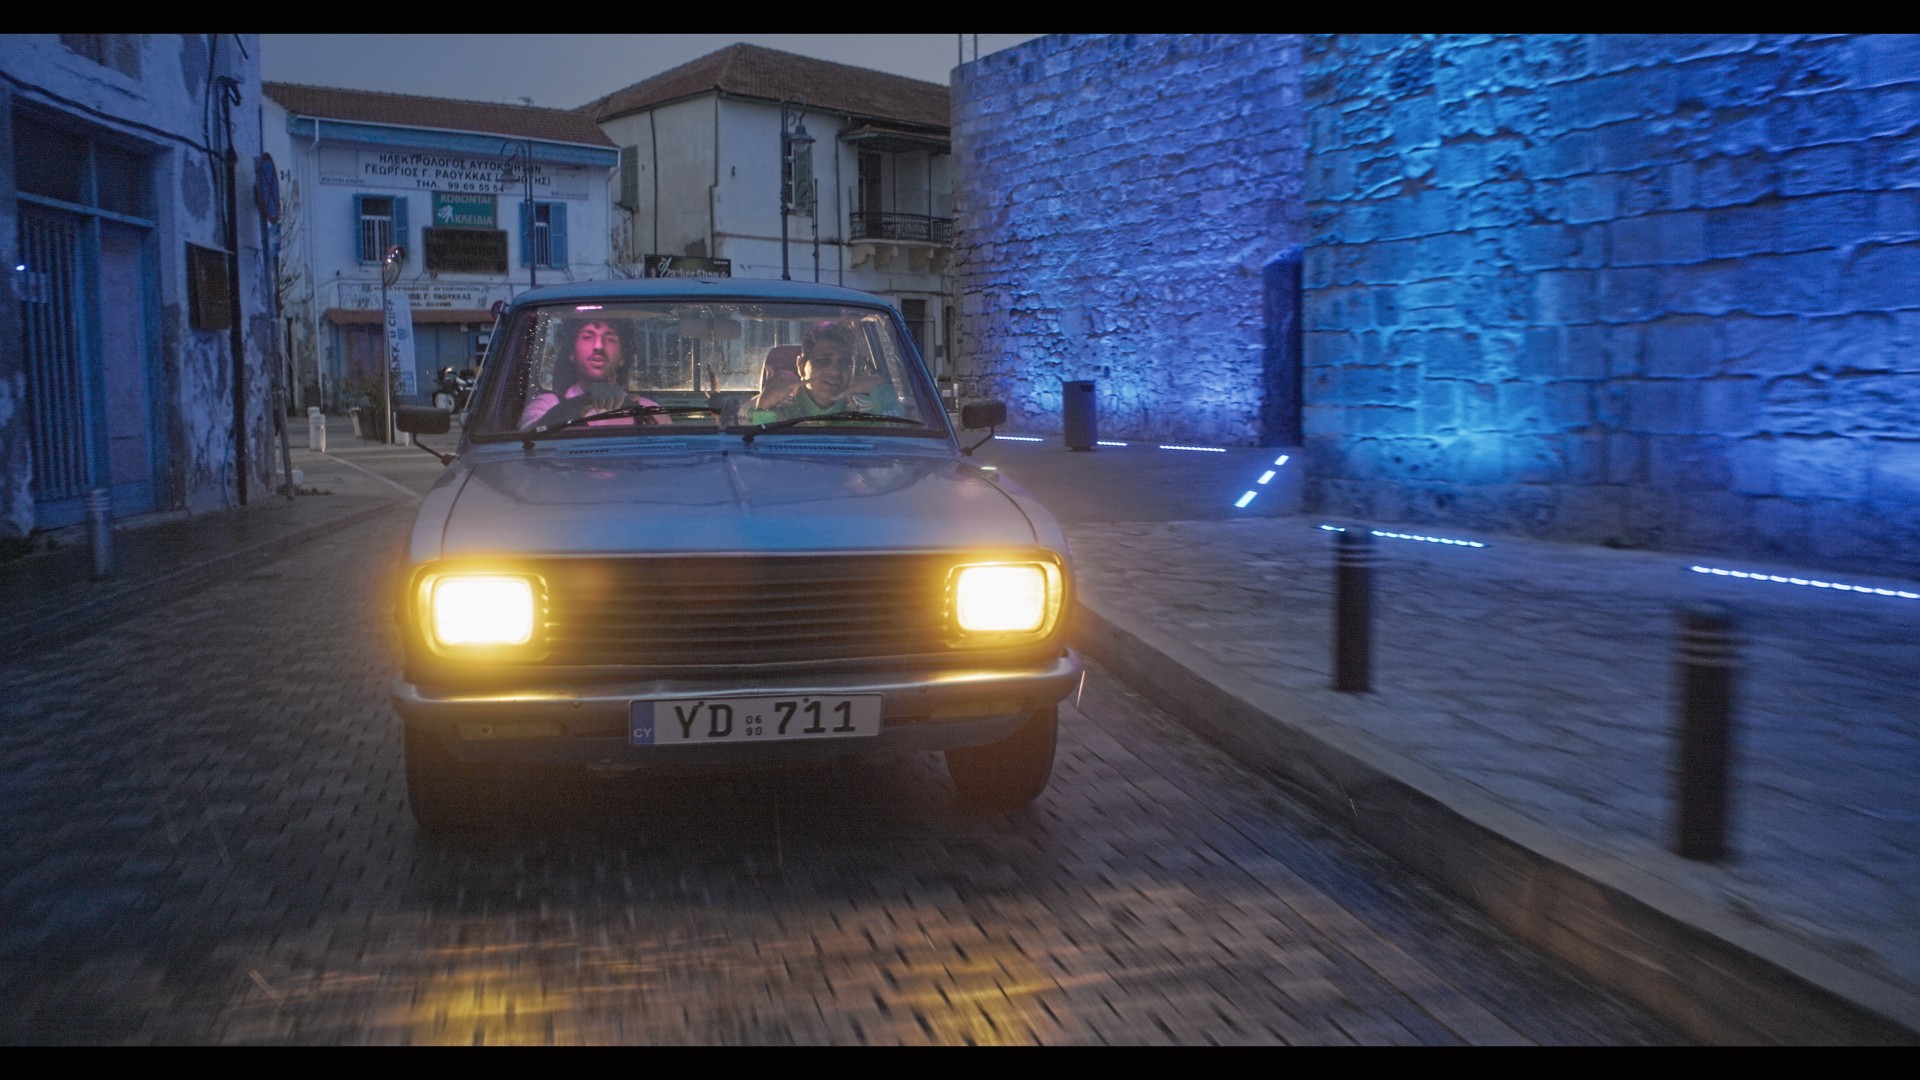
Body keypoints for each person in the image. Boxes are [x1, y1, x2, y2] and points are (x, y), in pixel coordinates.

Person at [519, 318, 669, 429]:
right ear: (572, 352)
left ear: (623, 356)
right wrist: (583, 402)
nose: (598, 346)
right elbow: (527, 438)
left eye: (610, 339)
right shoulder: (547, 405)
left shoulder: (648, 411)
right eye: (587, 337)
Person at [746, 323, 897, 425]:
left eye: (845, 363)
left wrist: (881, 388)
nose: (835, 371)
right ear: (801, 366)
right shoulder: (773, 405)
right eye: (823, 361)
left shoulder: (866, 408)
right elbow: (755, 455)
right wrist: (764, 406)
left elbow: (899, 446)